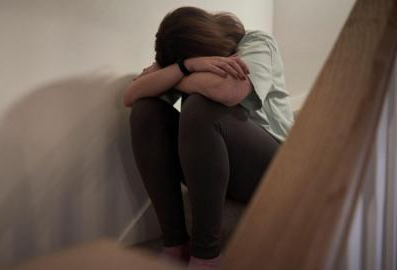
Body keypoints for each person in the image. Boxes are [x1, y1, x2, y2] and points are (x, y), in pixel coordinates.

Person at [123, 6, 294, 269]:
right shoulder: (189, 62)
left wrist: (174, 76)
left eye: (192, 61)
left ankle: (206, 256)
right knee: (146, 110)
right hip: (217, 161)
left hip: (274, 167)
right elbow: (131, 95)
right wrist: (186, 67)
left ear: (208, 43)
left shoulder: (258, 42)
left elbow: (229, 91)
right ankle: (175, 244)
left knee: (201, 109)